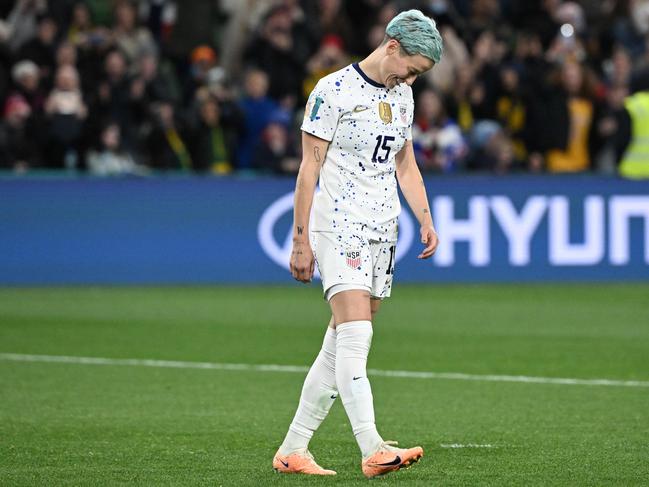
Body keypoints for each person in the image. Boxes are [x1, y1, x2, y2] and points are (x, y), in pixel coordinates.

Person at [272, 9, 442, 479]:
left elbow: (406, 164)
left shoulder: (402, 96)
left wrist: (425, 219)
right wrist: (300, 239)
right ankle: (372, 446)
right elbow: (309, 169)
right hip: (339, 223)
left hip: (382, 228)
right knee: (357, 333)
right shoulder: (332, 91)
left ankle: (293, 449)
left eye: (420, 75)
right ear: (392, 46)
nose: (412, 78)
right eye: (412, 67)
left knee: (340, 339)